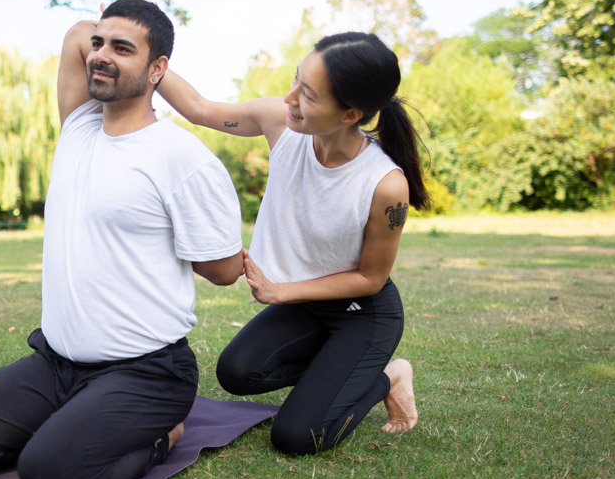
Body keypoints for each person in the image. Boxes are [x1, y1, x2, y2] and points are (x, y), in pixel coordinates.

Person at [0, 0, 244, 479]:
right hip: (56, 364)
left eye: (123, 49)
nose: (100, 55)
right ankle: (79, 418)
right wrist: (108, 29)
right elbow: (76, 32)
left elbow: (225, 270)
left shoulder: (183, 159)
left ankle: (165, 435)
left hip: (146, 371)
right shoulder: (78, 127)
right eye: (99, 44)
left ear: (158, 69)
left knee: (49, 475)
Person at [156, 31, 426, 456]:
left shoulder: (386, 184)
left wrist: (282, 291)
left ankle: (388, 378)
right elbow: (199, 109)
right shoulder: (281, 122)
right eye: (296, 80)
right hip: (307, 310)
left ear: (349, 114)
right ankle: (337, 375)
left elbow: (371, 279)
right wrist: (142, 55)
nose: (290, 97)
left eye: (309, 94)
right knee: (237, 373)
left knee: (297, 437)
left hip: (362, 314)